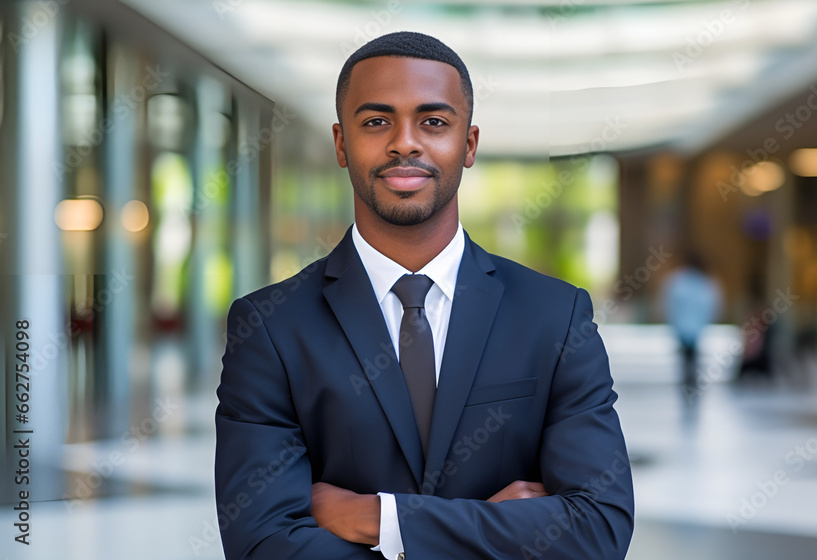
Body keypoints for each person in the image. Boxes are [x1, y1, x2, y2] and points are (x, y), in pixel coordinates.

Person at [214, 31, 633, 560]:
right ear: (342, 144)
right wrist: (495, 529)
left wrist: (381, 519)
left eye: (433, 122)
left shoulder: (555, 315)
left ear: (470, 143)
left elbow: (598, 529)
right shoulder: (270, 327)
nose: (405, 143)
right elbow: (261, 543)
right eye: (376, 122)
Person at [660, 251, 722, 392]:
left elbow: (669, 303)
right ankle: (691, 380)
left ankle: (687, 379)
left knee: (685, 356)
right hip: (696, 326)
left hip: (681, 326)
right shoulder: (705, 282)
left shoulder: (677, 280)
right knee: (693, 355)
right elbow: (712, 304)